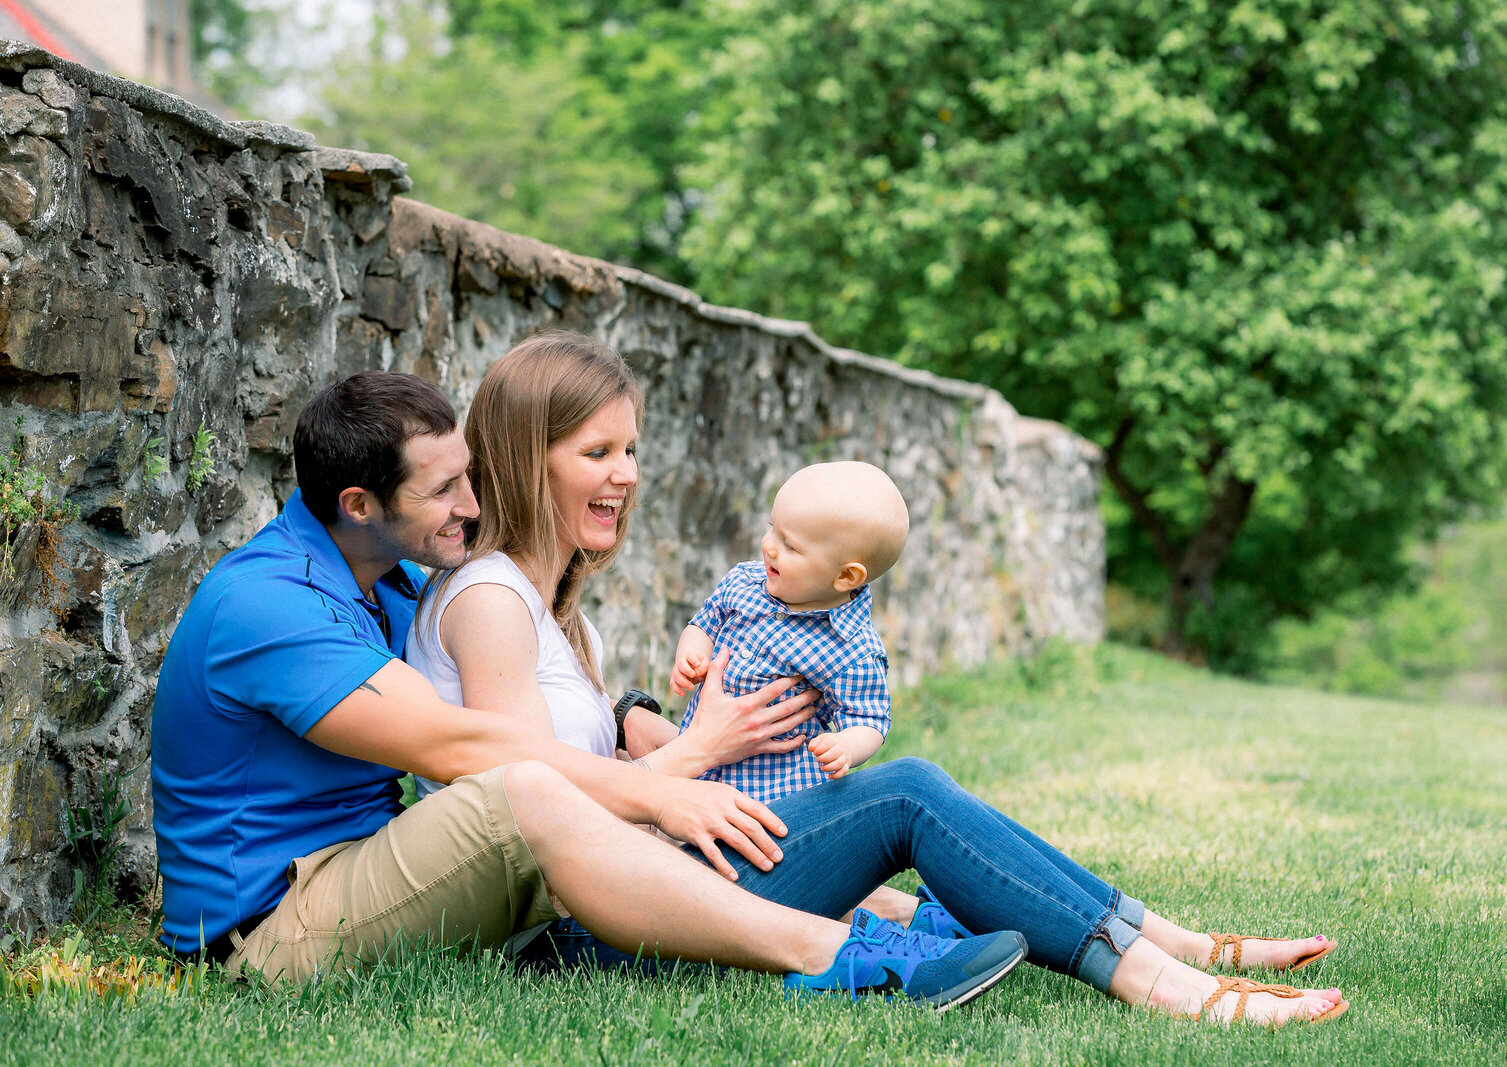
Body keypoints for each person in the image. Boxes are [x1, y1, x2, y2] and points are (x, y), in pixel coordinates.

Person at [409, 329, 1349, 1027]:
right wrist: (701, 749)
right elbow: (521, 817)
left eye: (632, 450)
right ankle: (1171, 980)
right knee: (906, 794)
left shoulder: (551, 607)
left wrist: (654, 734)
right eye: (597, 453)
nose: (626, 476)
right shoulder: (491, 601)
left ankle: (1173, 945)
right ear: (531, 456)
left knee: (912, 811)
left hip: (645, 884)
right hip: (587, 933)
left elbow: (585, 763)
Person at [148, 369, 1030, 1009]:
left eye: (470, 471)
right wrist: (662, 791)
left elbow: (524, 700)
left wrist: (633, 718)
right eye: (448, 487)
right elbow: (460, 745)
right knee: (522, 790)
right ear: (360, 503)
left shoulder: (388, 574)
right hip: (267, 938)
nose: (474, 498)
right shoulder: (267, 604)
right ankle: (837, 955)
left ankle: (917, 924)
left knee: (562, 789)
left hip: (367, 876)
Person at [668, 461, 905, 801]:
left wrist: (845, 747)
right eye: (771, 528)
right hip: (695, 771)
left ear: (846, 577)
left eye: (790, 546)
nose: (769, 546)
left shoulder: (852, 649)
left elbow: (869, 717)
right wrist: (691, 656)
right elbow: (704, 624)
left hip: (772, 796)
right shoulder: (743, 583)